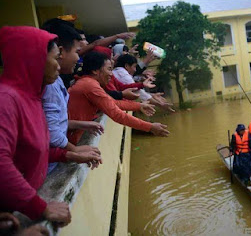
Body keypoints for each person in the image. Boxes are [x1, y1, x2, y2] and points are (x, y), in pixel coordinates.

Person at [0, 26, 101, 225]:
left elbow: (31, 149)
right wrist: (40, 207)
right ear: (33, 59)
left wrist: (69, 155)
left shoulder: (33, 97)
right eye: (55, 58)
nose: (58, 65)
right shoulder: (7, 99)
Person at [42, 19, 104, 174]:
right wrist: (74, 150)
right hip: (47, 168)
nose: (78, 58)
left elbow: (55, 120)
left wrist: (80, 124)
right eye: (77, 52)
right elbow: (52, 132)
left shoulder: (56, 80)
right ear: (60, 52)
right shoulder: (49, 85)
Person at [67, 51, 170, 145]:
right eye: (109, 69)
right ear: (95, 70)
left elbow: (113, 103)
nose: (111, 74)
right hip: (67, 138)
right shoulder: (90, 85)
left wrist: (138, 106)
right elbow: (116, 114)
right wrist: (149, 127)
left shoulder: (89, 83)